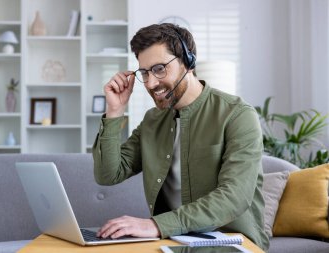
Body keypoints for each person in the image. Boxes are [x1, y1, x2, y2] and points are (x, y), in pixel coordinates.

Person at [92, 23, 269, 251]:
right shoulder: (153, 120)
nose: (151, 83)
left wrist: (155, 225)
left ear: (188, 61)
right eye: (144, 73)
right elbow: (108, 174)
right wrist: (114, 111)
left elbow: (233, 197)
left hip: (233, 242)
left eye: (159, 69)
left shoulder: (237, 115)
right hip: (173, 240)